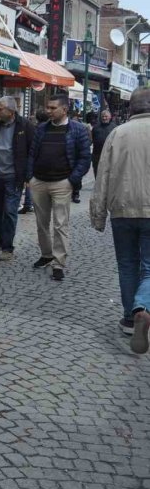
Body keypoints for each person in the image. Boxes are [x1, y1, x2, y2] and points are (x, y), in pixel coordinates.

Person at [90, 89, 150, 342]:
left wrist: (98, 214)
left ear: (131, 108)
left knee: (127, 265)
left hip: (122, 210)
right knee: (149, 267)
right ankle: (142, 308)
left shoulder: (118, 133)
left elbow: (102, 174)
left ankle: (129, 319)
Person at [25, 93, 91, 281]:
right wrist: (29, 177)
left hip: (62, 182)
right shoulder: (41, 128)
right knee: (41, 223)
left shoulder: (78, 130)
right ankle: (46, 255)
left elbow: (84, 158)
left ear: (64, 109)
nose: (48, 111)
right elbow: (32, 153)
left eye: (53, 108)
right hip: (39, 181)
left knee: (60, 224)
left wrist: (72, 180)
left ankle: (58, 263)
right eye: (48, 107)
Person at [0, 96, 34, 261]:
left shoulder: (25, 126)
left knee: (10, 211)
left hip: (14, 177)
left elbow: (32, 151)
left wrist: (28, 176)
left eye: (0, 108)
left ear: (11, 111)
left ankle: (7, 247)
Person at [20, 109, 48, 214]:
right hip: (43, 159)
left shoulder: (34, 128)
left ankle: (28, 203)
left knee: (30, 181)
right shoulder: (48, 129)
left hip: (33, 158)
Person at [69, 111, 93, 203]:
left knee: (77, 176)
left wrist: (85, 146)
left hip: (78, 155)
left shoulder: (84, 127)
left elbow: (89, 139)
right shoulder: (67, 127)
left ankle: (76, 193)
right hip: (69, 155)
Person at [91, 109, 116, 177]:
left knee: (108, 174)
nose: (104, 118)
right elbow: (92, 139)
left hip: (109, 155)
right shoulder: (96, 127)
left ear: (110, 117)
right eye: (103, 116)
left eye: (106, 116)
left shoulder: (114, 128)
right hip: (97, 155)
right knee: (97, 173)